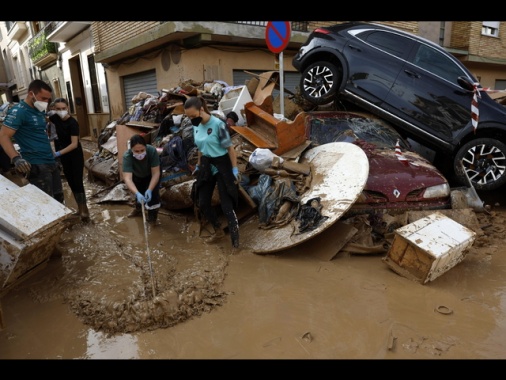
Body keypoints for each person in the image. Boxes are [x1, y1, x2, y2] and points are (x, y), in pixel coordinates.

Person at [184, 95, 240, 249]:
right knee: (202, 202)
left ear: (201, 109)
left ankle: (236, 244)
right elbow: (201, 148)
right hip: (207, 164)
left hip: (222, 163)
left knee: (226, 205)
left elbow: (230, 148)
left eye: (193, 116)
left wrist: (234, 169)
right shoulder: (196, 125)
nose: (191, 119)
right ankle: (218, 230)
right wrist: (199, 164)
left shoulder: (217, 125)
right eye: (188, 117)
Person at [0, 79, 64, 203]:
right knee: (46, 203)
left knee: (59, 200)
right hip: (36, 164)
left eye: (48, 99)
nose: (46, 102)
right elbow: (3, 136)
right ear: (31, 94)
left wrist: (54, 157)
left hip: (50, 161)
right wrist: (16, 158)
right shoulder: (19, 111)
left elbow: (41, 135)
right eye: (43, 98)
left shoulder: (39, 111)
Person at [48, 98, 90, 222]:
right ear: (54, 109)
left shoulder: (73, 123)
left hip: (75, 155)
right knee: (70, 181)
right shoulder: (55, 118)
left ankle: (84, 210)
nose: (61, 111)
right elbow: (42, 116)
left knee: (77, 182)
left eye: (63, 108)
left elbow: (74, 144)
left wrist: (57, 153)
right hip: (65, 157)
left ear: (68, 108)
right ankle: (80, 208)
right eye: (58, 109)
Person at [122, 134, 161, 224]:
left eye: (142, 150)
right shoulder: (127, 157)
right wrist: (137, 193)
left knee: (153, 195)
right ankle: (138, 209)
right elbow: (128, 179)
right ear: (131, 150)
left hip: (151, 174)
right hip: (137, 175)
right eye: (136, 151)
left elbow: (156, 173)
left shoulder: (152, 151)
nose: (140, 153)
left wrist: (150, 189)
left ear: (146, 147)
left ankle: (152, 218)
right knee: (139, 192)